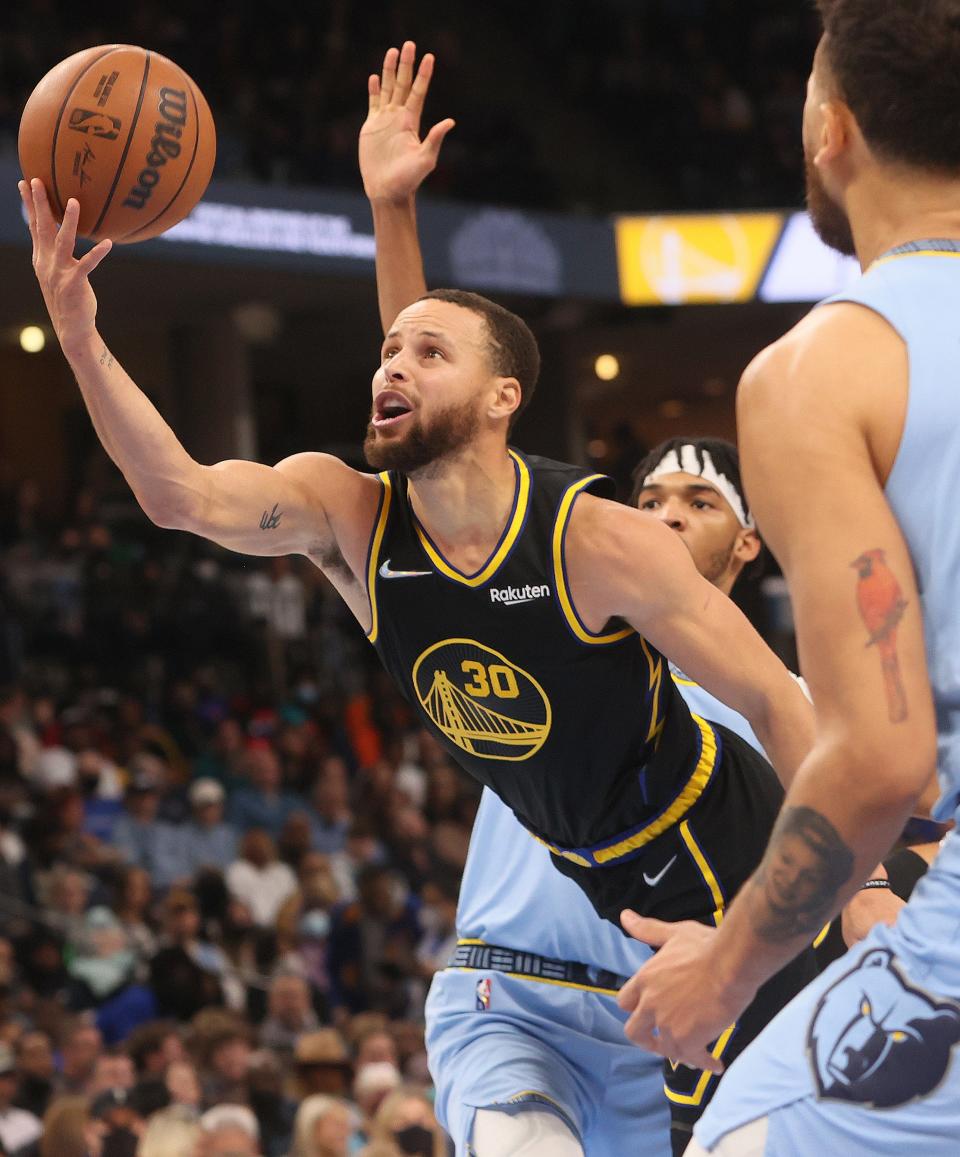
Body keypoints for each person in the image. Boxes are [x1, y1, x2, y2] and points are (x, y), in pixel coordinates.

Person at [21, 36, 812, 1142]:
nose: (389, 365)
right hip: (610, 906)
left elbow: (785, 705)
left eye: (424, 355)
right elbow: (180, 496)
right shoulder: (351, 517)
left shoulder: (600, 539)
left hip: (732, 863)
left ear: (504, 400)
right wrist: (79, 330)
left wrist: (848, 890)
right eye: (384, 352)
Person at [355, 44, 814, 1155]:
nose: (658, 512)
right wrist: (394, 215)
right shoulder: (564, 584)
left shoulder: (789, 699)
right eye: (646, 492)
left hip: (686, 1010)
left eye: (694, 500)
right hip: (515, 1001)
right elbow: (435, 393)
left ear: (747, 543)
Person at [617, 3, 960, 1153]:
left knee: (734, 1136)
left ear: (833, 130)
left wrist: (725, 963)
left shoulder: (822, 368)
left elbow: (879, 753)